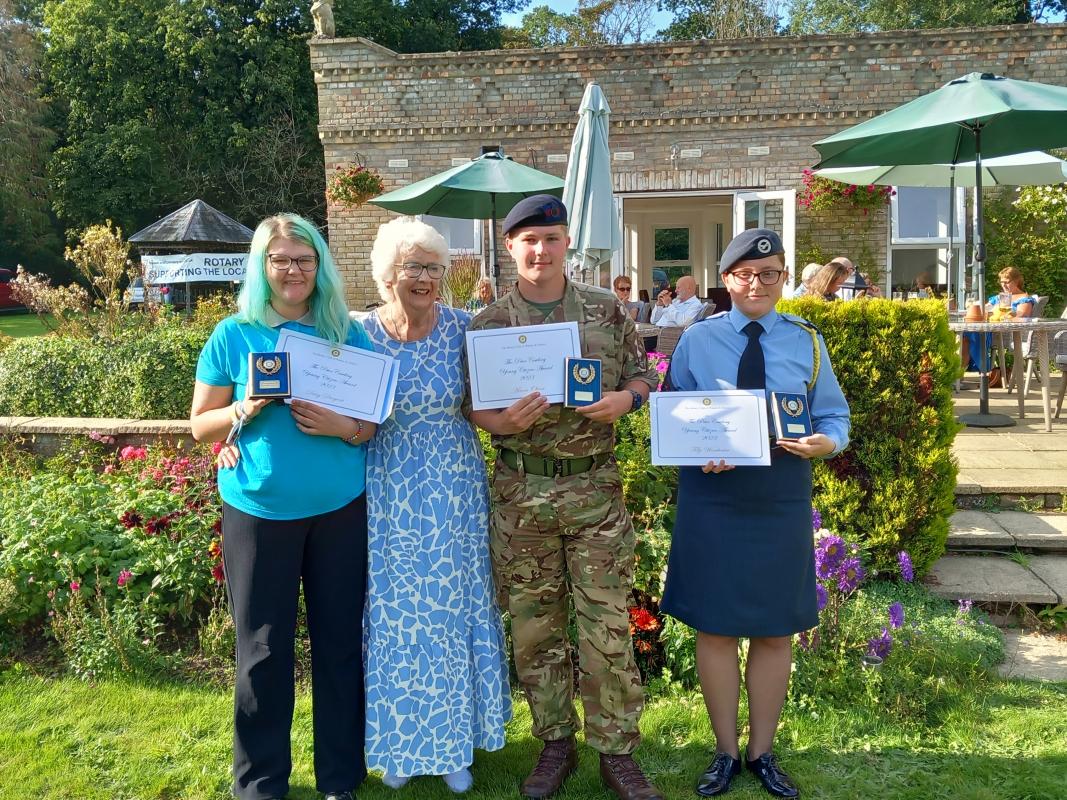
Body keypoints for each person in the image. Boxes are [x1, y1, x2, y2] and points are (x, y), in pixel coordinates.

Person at [466, 195, 662, 800]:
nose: (540, 251)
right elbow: (472, 404)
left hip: (594, 489)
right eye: (529, 241)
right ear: (510, 247)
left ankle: (617, 750)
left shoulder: (606, 311)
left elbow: (643, 372)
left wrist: (626, 400)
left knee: (607, 625)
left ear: (566, 243)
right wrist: (499, 425)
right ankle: (555, 742)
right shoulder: (489, 324)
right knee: (534, 628)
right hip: (522, 492)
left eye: (551, 239)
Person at [191, 213, 376, 800]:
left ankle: (340, 778)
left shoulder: (347, 332)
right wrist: (246, 408)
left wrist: (341, 425)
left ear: (319, 265)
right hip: (258, 510)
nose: (293, 270)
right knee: (262, 651)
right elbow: (200, 424)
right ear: (262, 267)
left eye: (304, 258)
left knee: (339, 644)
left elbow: (371, 424)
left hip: (338, 508)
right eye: (280, 259)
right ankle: (261, 782)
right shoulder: (234, 333)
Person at [661, 228, 850, 799]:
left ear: (784, 277)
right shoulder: (696, 341)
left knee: (774, 630)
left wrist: (827, 444)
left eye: (769, 274)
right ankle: (724, 752)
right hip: (713, 495)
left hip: (779, 494)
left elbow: (834, 416)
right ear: (726, 281)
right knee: (714, 627)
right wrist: (696, 449)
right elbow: (672, 414)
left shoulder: (808, 343)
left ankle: (763, 752)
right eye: (745, 274)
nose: (757, 283)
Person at [362, 217, 511, 793]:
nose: (424, 278)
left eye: (434, 267)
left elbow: (484, 401)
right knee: (395, 614)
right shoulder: (359, 333)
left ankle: (452, 743)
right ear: (389, 273)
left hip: (453, 486)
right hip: (388, 485)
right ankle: (398, 742)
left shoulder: (463, 328)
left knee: (451, 610)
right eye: (413, 266)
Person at [960, 266, 1036, 373]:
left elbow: (1022, 316)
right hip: (990, 328)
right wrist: (976, 306)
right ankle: (963, 374)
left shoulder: (1024, 298)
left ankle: (979, 370)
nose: (1003, 285)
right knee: (965, 333)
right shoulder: (1000, 297)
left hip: (1005, 333)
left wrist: (1008, 313)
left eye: (1007, 282)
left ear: (1016, 281)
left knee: (971, 333)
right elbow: (984, 308)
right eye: (1001, 282)